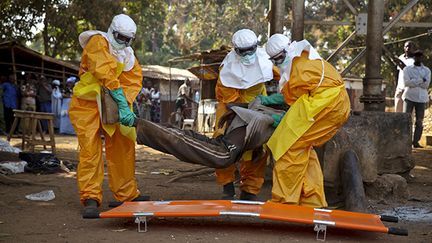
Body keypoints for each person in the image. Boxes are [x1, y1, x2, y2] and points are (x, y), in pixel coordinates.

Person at [69, 14, 145, 218]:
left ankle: (126, 194)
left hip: (112, 103)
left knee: (123, 145)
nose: (125, 43)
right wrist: (120, 98)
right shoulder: (97, 42)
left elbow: (133, 80)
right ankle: (91, 198)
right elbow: (104, 71)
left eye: (129, 40)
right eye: (121, 38)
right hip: (88, 104)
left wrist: (125, 105)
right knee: (90, 150)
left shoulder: (128, 55)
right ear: (112, 31)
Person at [263, 34, 350, 207]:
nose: (278, 63)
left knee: (287, 147)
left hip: (326, 106)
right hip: (331, 104)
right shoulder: (302, 58)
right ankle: (312, 200)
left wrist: (270, 104)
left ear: (287, 51)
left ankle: (285, 201)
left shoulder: (299, 69)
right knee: (302, 148)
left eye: (279, 58)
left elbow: (292, 97)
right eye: (275, 60)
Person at [214, 29, 280, 201]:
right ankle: (227, 186)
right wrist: (247, 109)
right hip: (231, 106)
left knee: (259, 145)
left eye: (251, 49)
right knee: (221, 141)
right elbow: (228, 99)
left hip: (259, 103)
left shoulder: (266, 60)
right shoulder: (226, 69)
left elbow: (284, 75)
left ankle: (250, 190)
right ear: (235, 50)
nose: (249, 54)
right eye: (244, 51)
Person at [402, 50, 431, 148]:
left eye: (420, 56)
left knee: (419, 121)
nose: (418, 58)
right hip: (409, 97)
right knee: (406, 120)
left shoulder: (427, 70)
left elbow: (426, 85)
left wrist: (414, 81)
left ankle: (415, 141)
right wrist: (420, 80)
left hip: (421, 98)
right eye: (416, 56)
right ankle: (405, 141)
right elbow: (407, 83)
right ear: (414, 57)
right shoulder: (407, 69)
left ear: (422, 58)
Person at [394, 41, 415, 112]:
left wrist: (400, 63)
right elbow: (398, 72)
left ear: (413, 48)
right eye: (406, 46)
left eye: (409, 46)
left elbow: (408, 71)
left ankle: (409, 123)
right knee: (398, 110)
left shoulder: (415, 60)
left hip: (409, 89)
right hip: (400, 88)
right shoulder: (401, 57)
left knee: (407, 112)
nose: (408, 48)